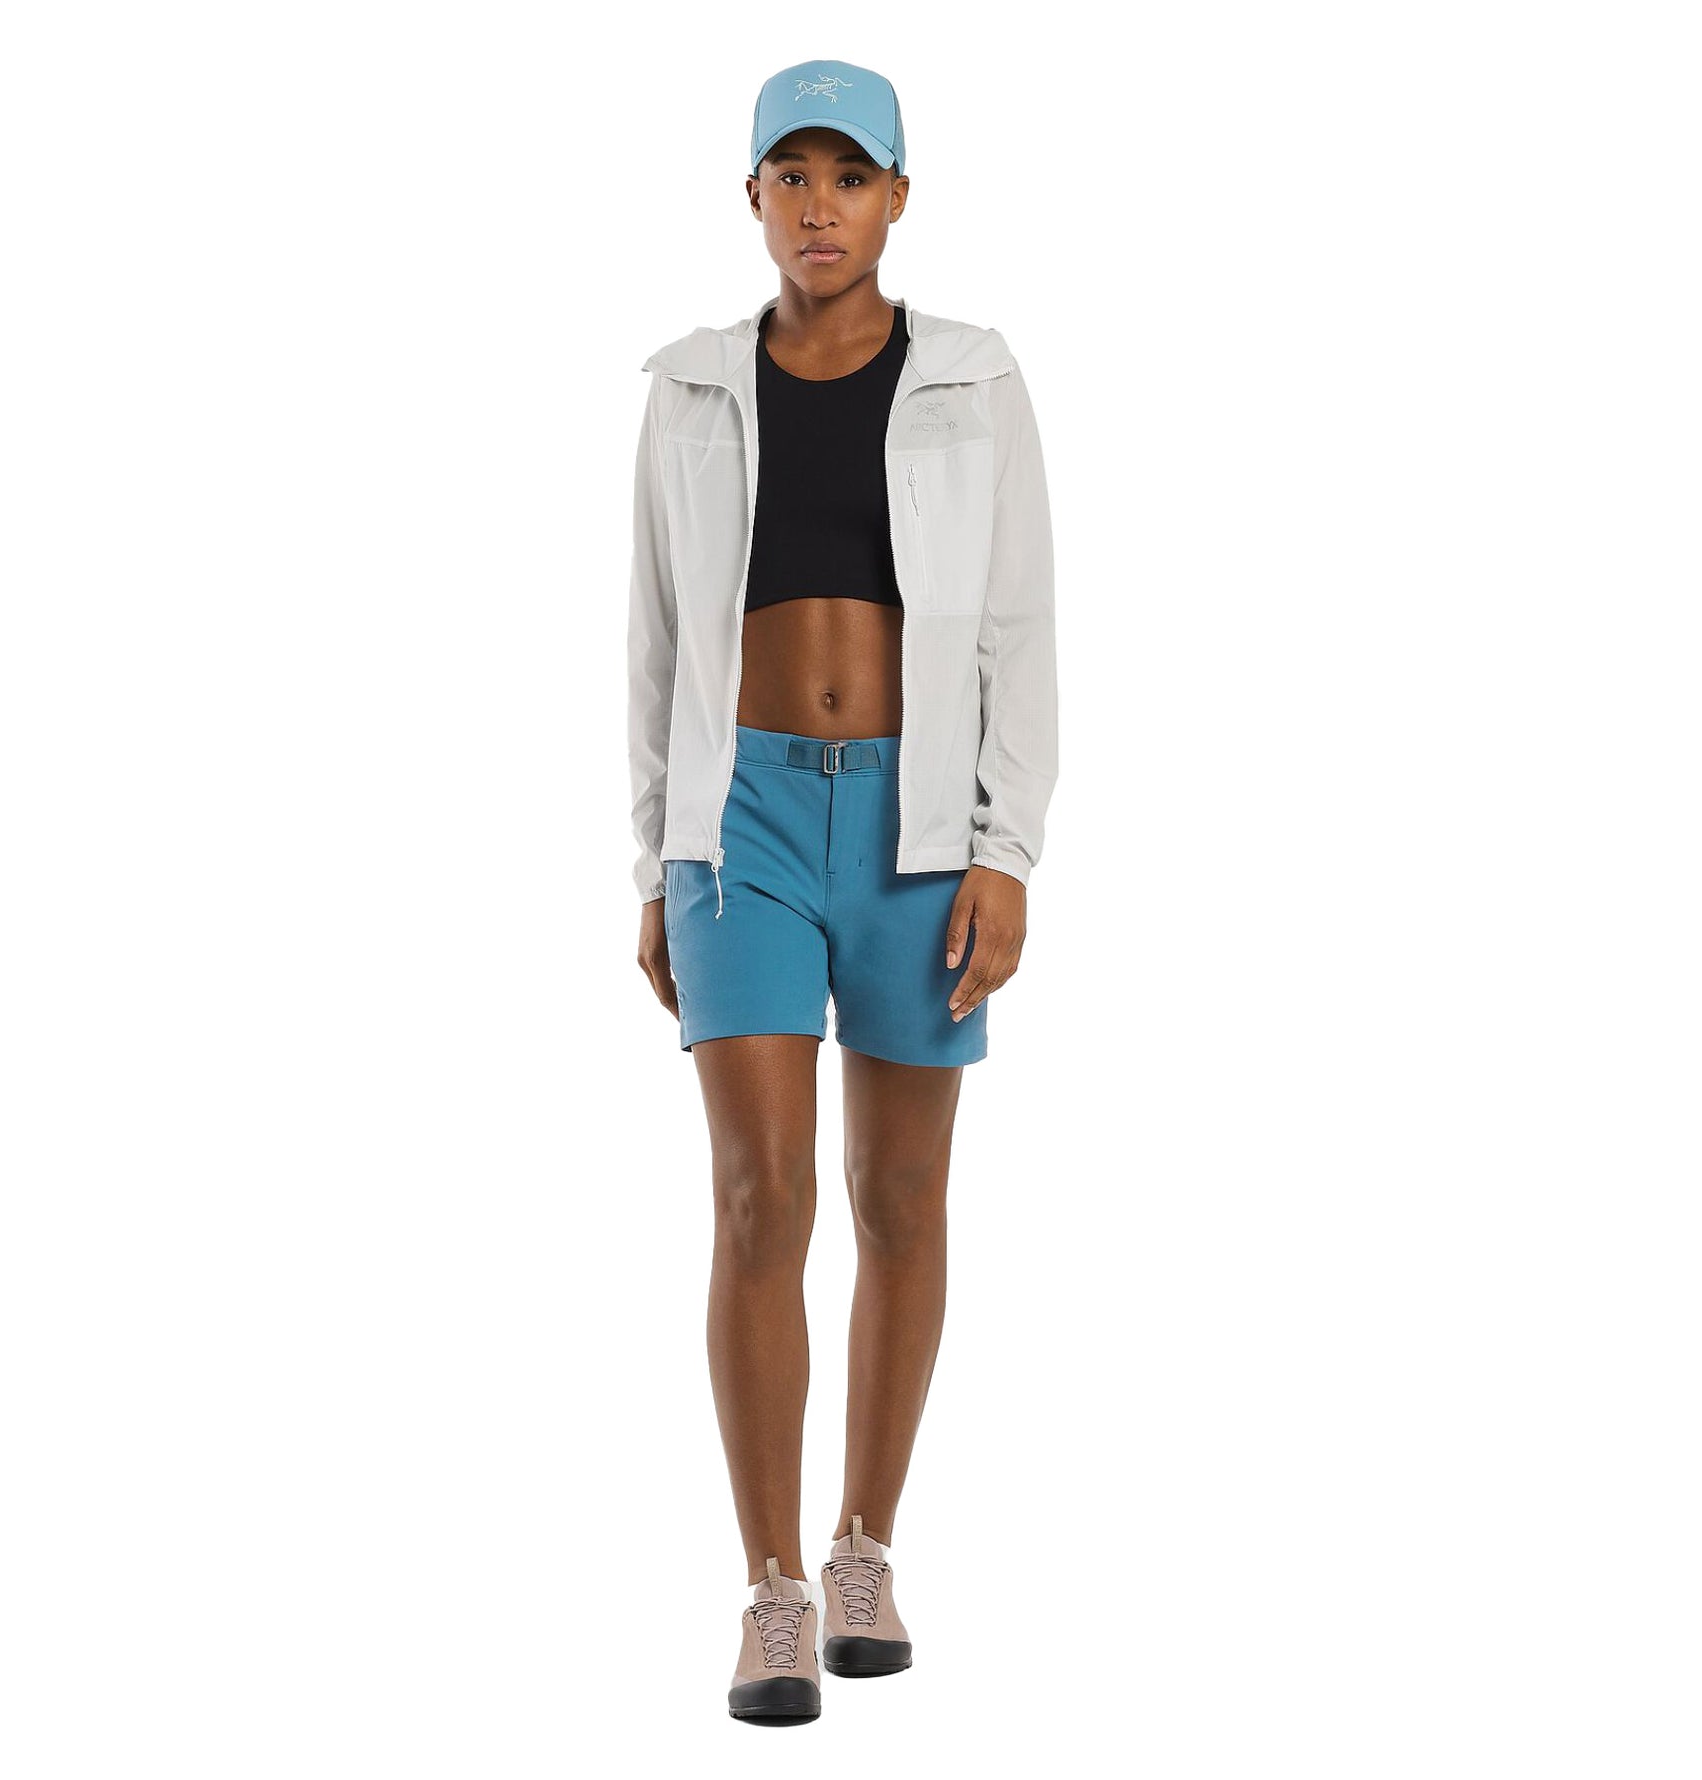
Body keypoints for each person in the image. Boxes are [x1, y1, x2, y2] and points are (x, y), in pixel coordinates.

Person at [625, 58, 1058, 1725]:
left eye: (849, 177)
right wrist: (655, 856)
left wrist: (1005, 849)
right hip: (736, 822)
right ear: (751, 197)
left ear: (897, 198)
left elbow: (1018, 623)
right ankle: (772, 1589)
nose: (820, 207)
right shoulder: (687, 390)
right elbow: (655, 636)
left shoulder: (973, 378)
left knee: (901, 1197)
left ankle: (865, 1543)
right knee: (758, 1197)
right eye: (791, 176)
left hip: (913, 828)